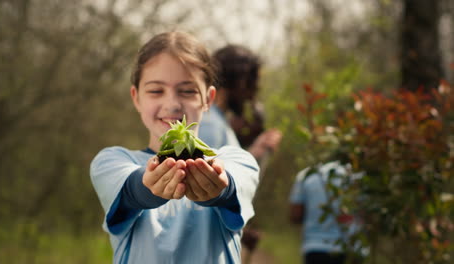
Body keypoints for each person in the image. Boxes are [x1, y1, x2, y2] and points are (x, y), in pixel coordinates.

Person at [90, 31, 260, 264]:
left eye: (188, 90)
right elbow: (132, 190)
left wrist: (217, 187)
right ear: (136, 97)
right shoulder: (112, 162)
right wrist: (149, 186)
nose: (171, 103)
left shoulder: (237, 160)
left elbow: (231, 186)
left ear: (208, 99)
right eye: (156, 90)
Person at [198, 44, 282, 263]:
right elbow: (199, 197)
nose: (253, 95)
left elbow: (219, 176)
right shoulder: (211, 126)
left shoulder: (215, 123)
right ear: (239, 82)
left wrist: (254, 151)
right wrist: (241, 230)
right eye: (252, 85)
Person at [289, 160, 362, 264]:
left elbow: (295, 216)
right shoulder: (357, 176)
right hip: (351, 249)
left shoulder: (306, 175)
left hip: (315, 248)